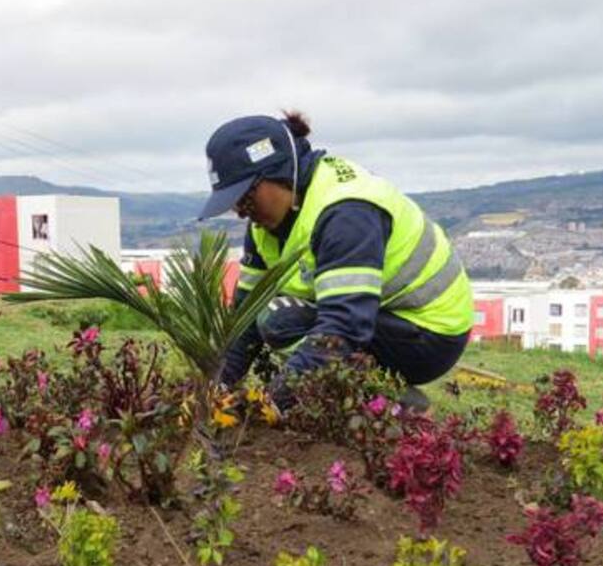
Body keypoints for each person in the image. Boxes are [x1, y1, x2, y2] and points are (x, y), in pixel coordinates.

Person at [201, 111, 472, 408]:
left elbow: (344, 326)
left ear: (277, 174)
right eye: (234, 203)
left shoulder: (345, 214)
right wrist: (213, 389)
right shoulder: (265, 225)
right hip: (380, 318)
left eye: (245, 197)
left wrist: (272, 402)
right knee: (271, 317)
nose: (240, 211)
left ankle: (390, 399)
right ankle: (345, 395)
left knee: (280, 320)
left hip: (429, 334)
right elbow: (245, 316)